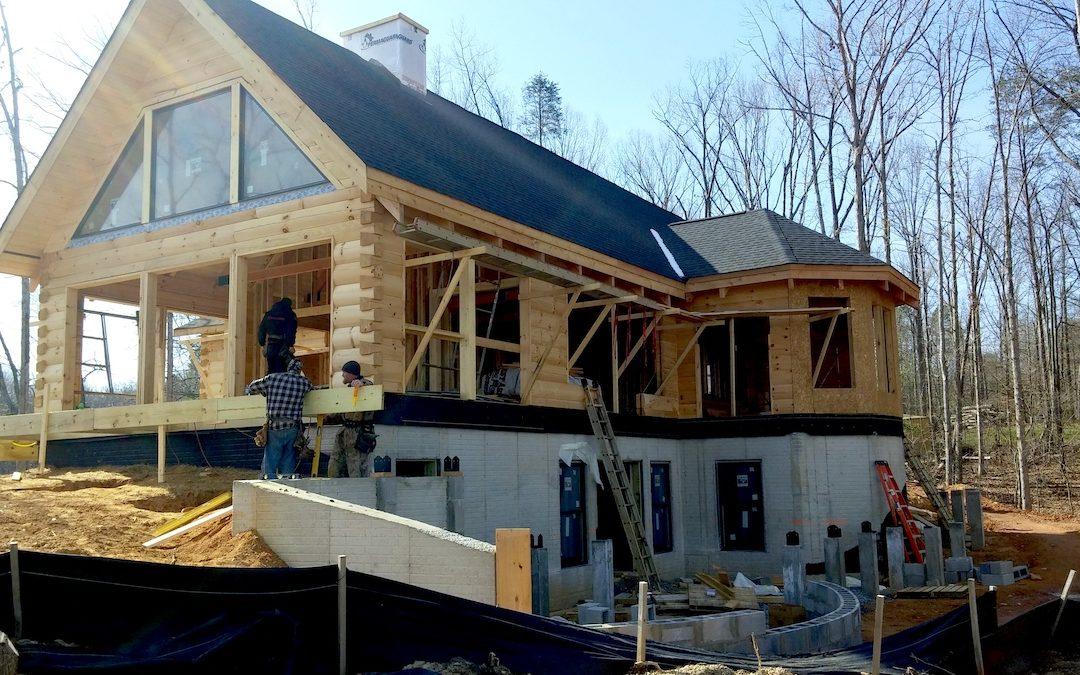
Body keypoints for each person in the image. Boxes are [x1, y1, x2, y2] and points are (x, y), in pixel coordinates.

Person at [245, 357, 312, 479]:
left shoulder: (272, 378)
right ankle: (287, 485)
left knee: (270, 460)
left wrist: (266, 392)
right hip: (293, 428)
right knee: (288, 459)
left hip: (275, 427)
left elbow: (252, 387)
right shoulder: (304, 382)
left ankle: (269, 484)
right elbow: (312, 391)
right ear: (299, 370)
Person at [329, 361, 376, 478]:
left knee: (355, 463)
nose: (342, 375)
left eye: (345, 372)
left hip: (357, 430)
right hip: (345, 430)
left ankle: (358, 488)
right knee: (336, 459)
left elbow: (370, 389)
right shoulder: (348, 389)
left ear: (352, 374)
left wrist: (361, 385)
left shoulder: (363, 384)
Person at [258, 297, 298, 373]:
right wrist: (290, 345)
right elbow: (291, 330)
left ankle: (270, 383)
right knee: (282, 369)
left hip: (271, 345)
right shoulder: (290, 315)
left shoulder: (269, 314)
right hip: (283, 345)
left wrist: (262, 344)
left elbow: (261, 329)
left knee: (271, 369)